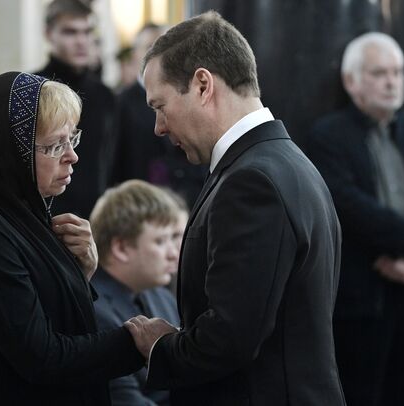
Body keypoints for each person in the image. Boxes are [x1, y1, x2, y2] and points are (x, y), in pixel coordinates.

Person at [124, 11, 345, 405]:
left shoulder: (252, 181)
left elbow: (231, 337)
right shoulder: (284, 160)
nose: (158, 126)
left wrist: (161, 347)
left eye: (160, 106)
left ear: (203, 84)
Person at [0, 71, 143, 405]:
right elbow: (41, 357)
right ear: (10, 151)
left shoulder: (22, 214)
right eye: (56, 144)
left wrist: (80, 273)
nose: (71, 155)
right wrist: (136, 341)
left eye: (73, 139)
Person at [307, 32, 404, 406]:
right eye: (380, 73)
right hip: (361, 293)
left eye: (398, 73)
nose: (392, 82)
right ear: (351, 81)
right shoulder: (328, 135)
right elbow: (346, 205)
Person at [90, 180, 180, 405]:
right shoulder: (93, 309)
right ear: (121, 248)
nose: (173, 254)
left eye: (173, 239)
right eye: (160, 241)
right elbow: (123, 400)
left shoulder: (162, 296)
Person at [109, 23, 206, 208]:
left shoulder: (189, 93)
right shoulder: (122, 102)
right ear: (135, 54)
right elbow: (116, 160)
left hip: (187, 200)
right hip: (140, 204)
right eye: (149, 48)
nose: (159, 55)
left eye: (165, 48)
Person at [34, 0, 114, 218]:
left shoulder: (105, 95)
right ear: (49, 34)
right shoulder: (33, 89)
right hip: (44, 215)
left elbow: (112, 163)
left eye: (87, 32)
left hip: (98, 218)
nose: (81, 41)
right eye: (71, 32)